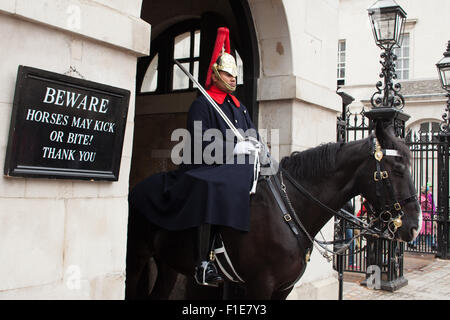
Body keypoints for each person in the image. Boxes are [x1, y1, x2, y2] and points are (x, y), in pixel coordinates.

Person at [129, 27, 260, 287]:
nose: (233, 78)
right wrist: (233, 149)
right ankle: (203, 262)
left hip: (235, 169)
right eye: (226, 72)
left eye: (235, 74)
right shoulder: (203, 104)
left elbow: (251, 134)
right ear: (215, 73)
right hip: (202, 166)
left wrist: (255, 145)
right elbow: (200, 142)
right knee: (211, 185)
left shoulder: (239, 107)